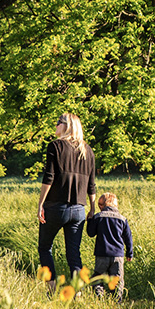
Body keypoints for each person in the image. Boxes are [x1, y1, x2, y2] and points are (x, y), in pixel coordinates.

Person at [37, 113, 96, 291]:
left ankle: (52, 288)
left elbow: (49, 177)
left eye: (58, 123)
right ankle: (77, 292)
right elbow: (91, 184)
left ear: (67, 126)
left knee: (45, 247)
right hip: (79, 209)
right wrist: (92, 208)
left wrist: (41, 203)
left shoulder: (55, 146)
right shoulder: (88, 151)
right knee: (73, 253)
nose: (55, 126)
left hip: (55, 206)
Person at [86, 193, 133, 303]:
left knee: (98, 278)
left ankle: (100, 300)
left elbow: (91, 233)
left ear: (104, 205)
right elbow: (128, 237)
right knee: (117, 280)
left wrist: (89, 220)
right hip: (118, 256)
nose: (99, 207)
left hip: (102, 254)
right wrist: (129, 253)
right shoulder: (122, 219)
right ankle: (117, 302)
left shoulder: (98, 217)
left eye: (99, 205)